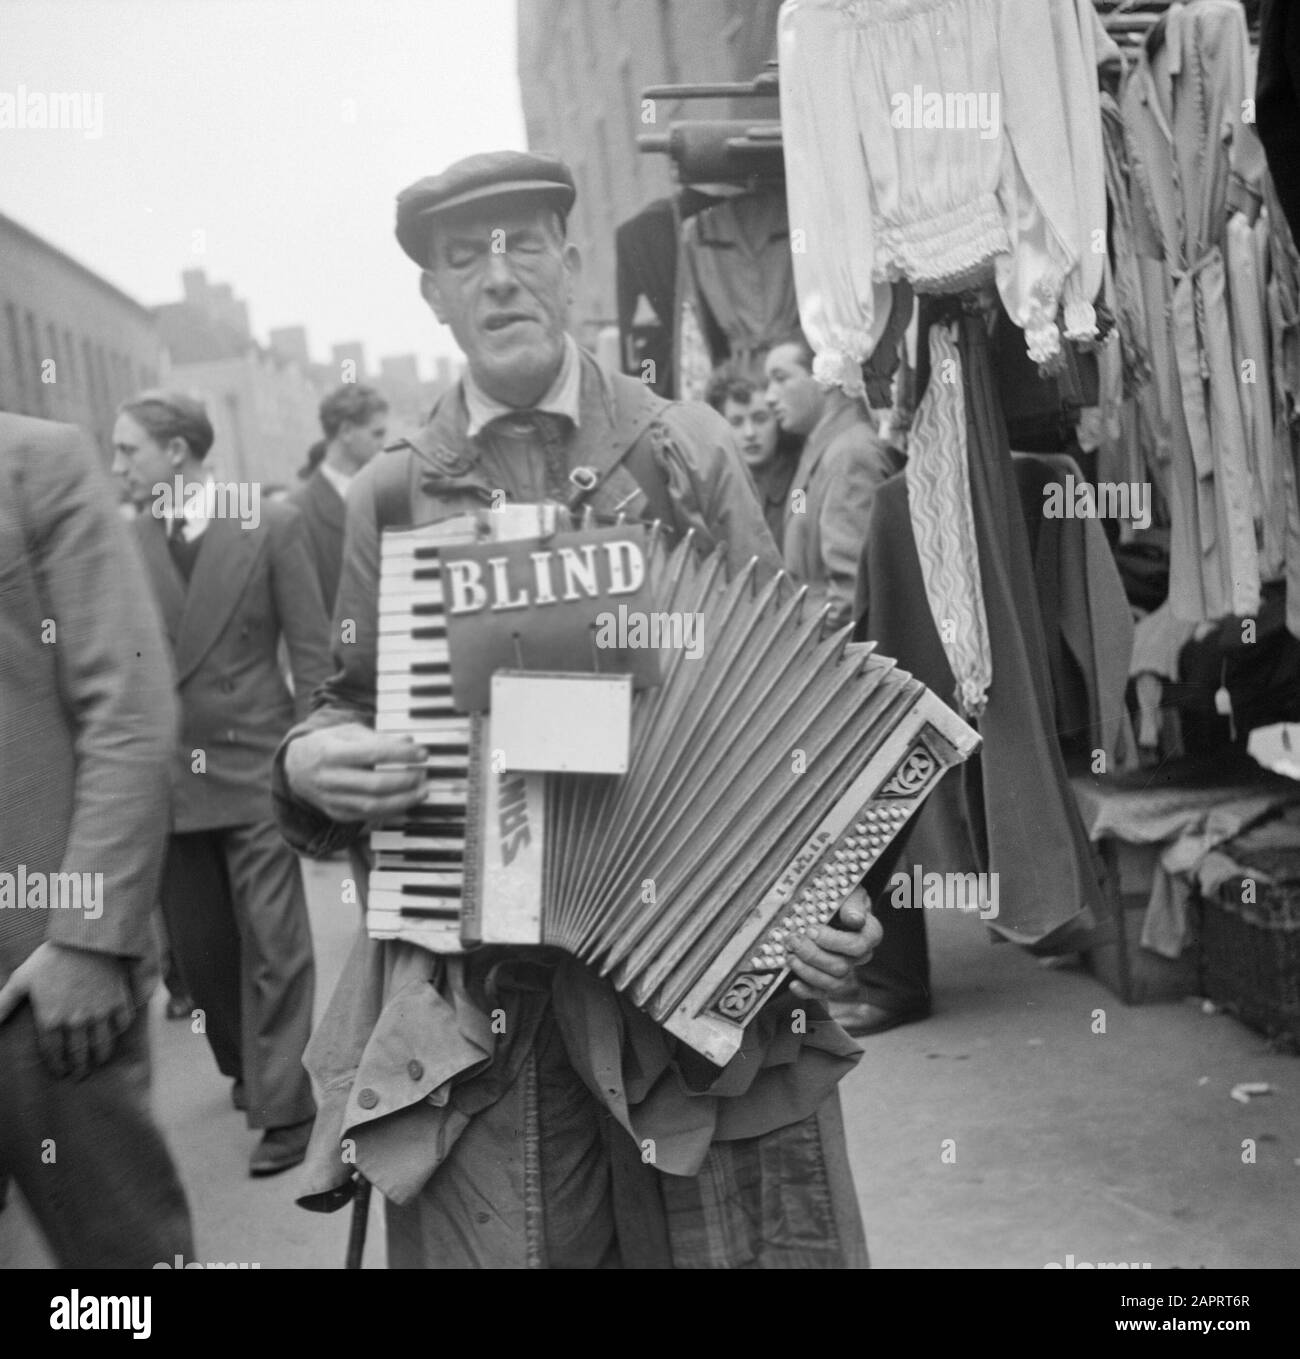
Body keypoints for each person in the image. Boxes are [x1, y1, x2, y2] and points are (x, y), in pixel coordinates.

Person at [273, 150, 882, 1268]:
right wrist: (313, 764)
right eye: (466, 259)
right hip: (491, 1005)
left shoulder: (680, 449)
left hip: (692, 979)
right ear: (434, 296)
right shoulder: (393, 492)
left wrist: (830, 902)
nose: (498, 279)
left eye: (521, 247)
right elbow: (338, 704)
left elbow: (799, 707)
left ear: (565, 264)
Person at [111, 390, 332, 1177]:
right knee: (202, 955)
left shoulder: (269, 521)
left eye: (127, 449)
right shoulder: (124, 537)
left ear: (177, 452)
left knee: (274, 938)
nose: (115, 466)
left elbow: (311, 651)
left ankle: (285, 1106)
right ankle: (249, 1065)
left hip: (255, 762)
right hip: (169, 775)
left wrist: (314, 751)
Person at [0, 413, 194, 1266]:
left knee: (120, 1276)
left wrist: (86, 934)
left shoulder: (33, 464)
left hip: (36, 982)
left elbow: (131, 706)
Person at [764, 333, 905, 629]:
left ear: (824, 378)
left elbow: (851, 591)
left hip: (827, 652)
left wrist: (815, 659)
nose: (769, 396)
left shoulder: (850, 455)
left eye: (781, 378)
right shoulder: (823, 450)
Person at [291, 385, 389, 615]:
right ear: (346, 431)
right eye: (377, 433)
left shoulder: (389, 496)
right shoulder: (296, 512)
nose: (383, 444)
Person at [704, 368, 800, 547]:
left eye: (760, 419)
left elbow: (800, 530)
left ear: (778, 421)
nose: (750, 433)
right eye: (736, 422)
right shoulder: (716, 489)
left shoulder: (799, 484)